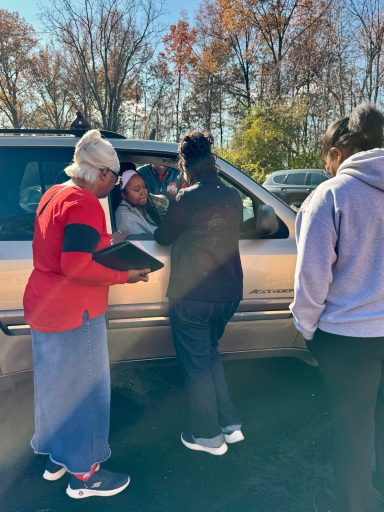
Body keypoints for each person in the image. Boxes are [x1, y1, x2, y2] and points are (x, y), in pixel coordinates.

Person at [23, 129, 150, 499]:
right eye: (112, 179)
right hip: (74, 312)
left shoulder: (54, 193)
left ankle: (56, 458)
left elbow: (68, 249)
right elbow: (77, 266)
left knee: (54, 388)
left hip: (45, 306)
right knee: (86, 393)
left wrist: (109, 246)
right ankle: (86, 474)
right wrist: (125, 275)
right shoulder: (84, 203)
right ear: (101, 173)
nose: (111, 188)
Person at [289, 103, 384, 512]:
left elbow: (311, 280)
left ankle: (355, 504)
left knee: (351, 434)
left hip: (347, 338)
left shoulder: (330, 196)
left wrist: (307, 329)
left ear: (338, 153)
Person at [154, 130, 244, 456]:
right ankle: (230, 426)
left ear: (185, 162)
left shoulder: (187, 198)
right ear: (212, 159)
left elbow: (163, 237)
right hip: (228, 293)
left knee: (197, 366)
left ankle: (208, 437)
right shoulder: (233, 196)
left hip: (194, 296)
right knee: (209, 354)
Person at [112, 163, 167, 238]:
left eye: (144, 187)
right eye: (137, 189)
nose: (143, 192)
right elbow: (141, 244)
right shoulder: (125, 218)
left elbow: (165, 203)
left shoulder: (138, 202)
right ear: (123, 194)